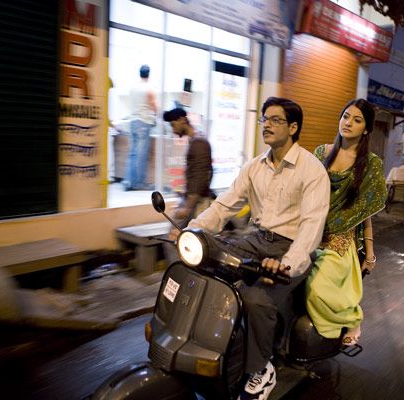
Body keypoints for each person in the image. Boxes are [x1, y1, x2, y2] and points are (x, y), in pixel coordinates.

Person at [187, 97, 330, 400]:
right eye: (265, 118)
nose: (267, 124)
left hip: (290, 248)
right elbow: (225, 204)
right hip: (256, 239)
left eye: (275, 120)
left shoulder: (312, 170)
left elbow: (311, 228)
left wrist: (287, 264)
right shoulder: (254, 166)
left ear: (293, 127)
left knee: (255, 299)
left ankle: (262, 368)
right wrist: (192, 230)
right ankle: (212, 344)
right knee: (207, 265)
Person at [305, 98, 387, 347]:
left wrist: (370, 254)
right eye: (345, 116)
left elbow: (365, 212)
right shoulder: (321, 153)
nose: (348, 122)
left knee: (316, 288)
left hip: (338, 241)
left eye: (357, 120)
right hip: (308, 232)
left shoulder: (371, 165)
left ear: (367, 129)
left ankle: (352, 317)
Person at [163, 108, 214, 258]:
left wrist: (187, 206)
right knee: (186, 242)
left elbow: (201, 176)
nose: (173, 130)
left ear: (182, 120)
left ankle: (176, 277)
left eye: (173, 125)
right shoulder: (197, 141)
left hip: (195, 202)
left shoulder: (198, 143)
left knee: (172, 241)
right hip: (193, 200)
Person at [124, 64, 158, 191]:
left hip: (132, 122)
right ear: (149, 74)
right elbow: (155, 106)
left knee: (132, 154)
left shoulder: (133, 88)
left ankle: (128, 182)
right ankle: (139, 183)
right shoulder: (149, 88)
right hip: (143, 123)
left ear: (140, 73)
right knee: (141, 155)